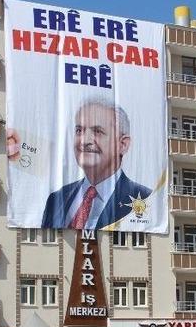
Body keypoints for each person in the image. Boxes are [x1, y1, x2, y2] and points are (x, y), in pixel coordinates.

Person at [41, 98, 152, 229]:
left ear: (122, 144)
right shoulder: (56, 200)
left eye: (97, 131)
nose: (84, 141)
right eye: (79, 130)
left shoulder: (145, 199)